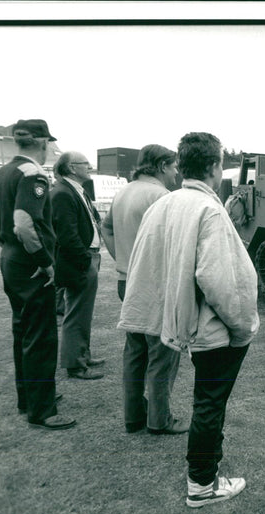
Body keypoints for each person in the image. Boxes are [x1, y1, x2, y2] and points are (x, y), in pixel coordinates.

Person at [118, 132, 259, 508]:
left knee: (206, 401)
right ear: (215, 167)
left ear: (181, 166)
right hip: (213, 329)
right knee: (210, 403)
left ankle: (206, 472)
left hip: (187, 322)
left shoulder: (166, 204)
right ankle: (202, 483)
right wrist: (243, 327)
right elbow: (222, 281)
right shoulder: (208, 209)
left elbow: (146, 264)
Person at [0, 119, 75, 430]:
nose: (50, 149)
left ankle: (29, 398)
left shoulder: (2, 172)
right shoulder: (31, 173)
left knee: (22, 330)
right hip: (30, 262)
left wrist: (8, 246)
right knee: (41, 335)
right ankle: (42, 410)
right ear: (41, 142)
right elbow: (23, 220)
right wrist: (44, 260)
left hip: (10, 257)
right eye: (49, 144)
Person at [100, 144, 184, 434]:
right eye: (173, 165)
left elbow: (106, 228)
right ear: (161, 165)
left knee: (135, 351)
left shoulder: (124, 191)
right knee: (163, 352)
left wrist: (124, 260)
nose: (177, 172)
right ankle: (159, 420)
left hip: (127, 281)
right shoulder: (161, 196)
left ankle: (133, 415)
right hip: (154, 284)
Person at [51, 151, 105, 380]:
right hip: (80, 260)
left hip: (87, 257)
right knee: (76, 313)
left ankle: (82, 354)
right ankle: (75, 364)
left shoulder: (73, 190)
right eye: (85, 164)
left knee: (83, 311)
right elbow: (66, 234)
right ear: (72, 168)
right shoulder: (63, 193)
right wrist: (84, 260)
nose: (90, 167)